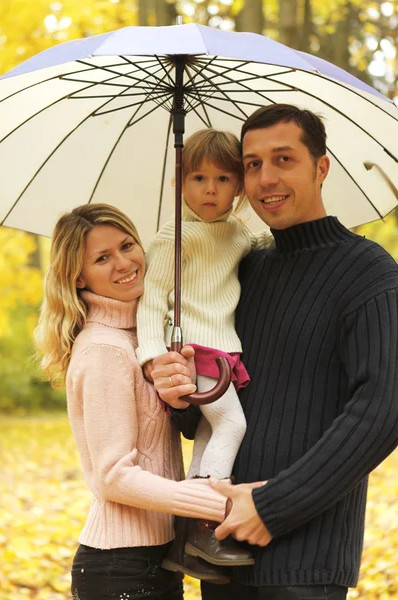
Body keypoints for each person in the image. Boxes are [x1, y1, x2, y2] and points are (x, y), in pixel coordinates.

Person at [152, 104, 398, 600]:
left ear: (320, 167)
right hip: (218, 550)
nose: (266, 178)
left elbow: (383, 408)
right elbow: (217, 402)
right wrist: (178, 393)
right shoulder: (243, 270)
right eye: (253, 164)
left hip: (304, 561)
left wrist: (274, 506)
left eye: (284, 159)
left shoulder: (369, 272)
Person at [33, 203, 235, 600]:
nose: (124, 262)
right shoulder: (104, 349)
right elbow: (113, 475)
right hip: (119, 568)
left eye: (127, 245)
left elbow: (160, 441)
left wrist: (181, 401)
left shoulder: (141, 342)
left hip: (153, 558)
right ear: (78, 276)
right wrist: (207, 503)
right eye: (102, 258)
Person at [136, 129, 272, 569]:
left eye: (222, 179)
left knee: (210, 438)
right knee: (232, 426)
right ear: (180, 182)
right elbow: (151, 303)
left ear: (238, 186)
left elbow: (262, 246)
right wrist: (155, 356)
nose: (210, 189)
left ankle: (185, 538)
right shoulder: (174, 237)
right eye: (197, 178)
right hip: (194, 352)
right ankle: (208, 524)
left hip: (226, 353)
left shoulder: (236, 233)